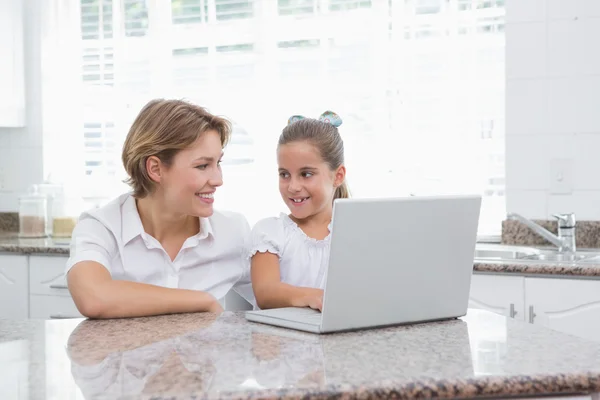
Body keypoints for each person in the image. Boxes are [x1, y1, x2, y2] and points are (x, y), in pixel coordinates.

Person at [66, 99, 251, 318]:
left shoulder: (233, 231)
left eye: (218, 163)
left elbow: (275, 301)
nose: (218, 180)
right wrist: (202, 301)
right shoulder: (101, 227)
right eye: (203, 166)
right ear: (155, 169)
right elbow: (94, 297)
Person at [248, 111, 348, 311]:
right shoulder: (270, 232)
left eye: (306, 174)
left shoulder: (353, 233)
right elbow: (266, 292)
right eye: (284, 174)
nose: (293, 186)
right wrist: (316, 297)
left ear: (337, 176)